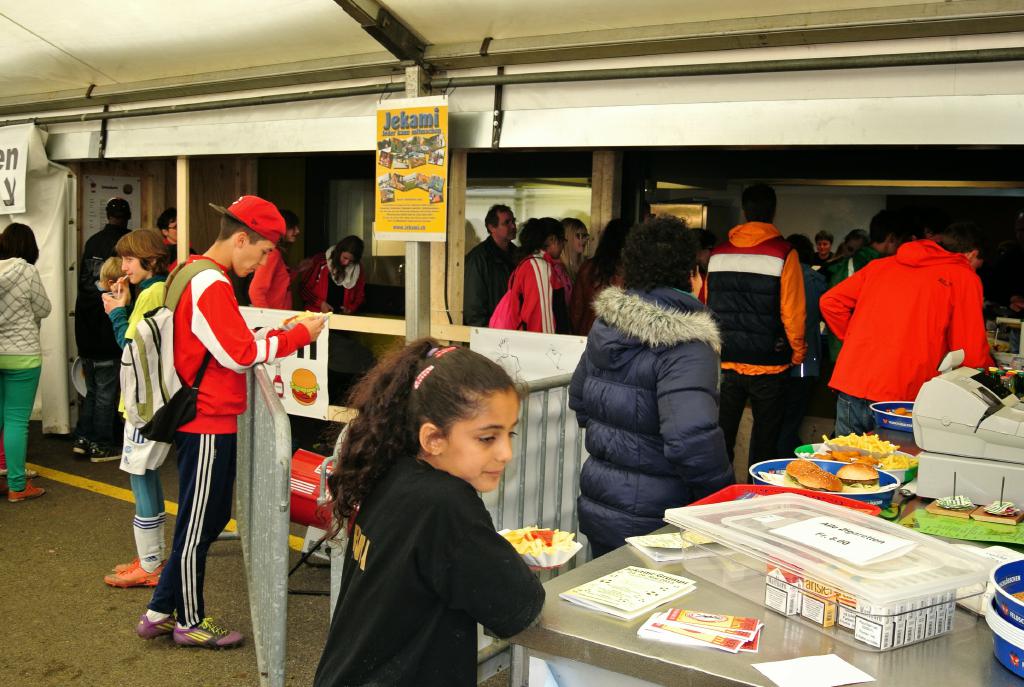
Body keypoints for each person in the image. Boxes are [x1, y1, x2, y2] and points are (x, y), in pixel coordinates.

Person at [136, 195, 325, 648]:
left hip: (205, 415)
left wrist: (279, 332)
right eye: (263, 252)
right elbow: (239, 354)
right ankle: (189, 621)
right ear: (242, 239)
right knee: (200, 523)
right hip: (206, 418)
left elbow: (224, 342)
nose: (261, 264)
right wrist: (298, 336)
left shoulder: (194, 271)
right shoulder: (212, 282)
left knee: (207, 516)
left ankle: (160, 611)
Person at [313, 340, 544, 686]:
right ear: (433, 439)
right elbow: (519, 607)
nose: (506, 453)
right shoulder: (445, 503)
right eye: (487, 438)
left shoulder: (391, 468)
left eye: (509, 433)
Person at [570, 217, 733, 556]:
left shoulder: (607, 325)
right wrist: (723, 499)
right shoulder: (688, 343)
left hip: (600, 504)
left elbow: (580, 400)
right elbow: (690, 440)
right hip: (658, 520)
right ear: (691, 273)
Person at [821, 222, 993, 436]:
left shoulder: (880, 266)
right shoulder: (963, 276)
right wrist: (991, 385)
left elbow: (830, 302)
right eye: (978, 264)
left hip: (852, 382)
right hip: (903, 392)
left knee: (846, 456)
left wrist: (854, 340)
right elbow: (971, 352)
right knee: (897, 458)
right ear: (972, 254)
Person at [704, 184, 806, 468]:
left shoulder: (718, 254)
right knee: (765, 444)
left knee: (721, 439)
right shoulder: (784, 253)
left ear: (745, 210)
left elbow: (707, 306)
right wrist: (797, 353)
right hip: (769, 365)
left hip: (726, 361)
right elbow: (793, 311)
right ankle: (757, 491)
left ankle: (719, 490)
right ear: (774, 211)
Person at [99, 229, 171, 587]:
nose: (124, 266)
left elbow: (129, 347)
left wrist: (116, 311)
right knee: (147, 474)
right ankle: (151, 557)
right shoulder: (160, 288)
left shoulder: (153, 293)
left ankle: (150, 563)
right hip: (155, 399)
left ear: (150, 259)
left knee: (140, 476)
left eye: (129, 259)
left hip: (144, 403)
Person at [73, 198, 131, 462]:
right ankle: (101, 444)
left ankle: (82, 439)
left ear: (107, 215)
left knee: (93, 392)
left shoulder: (92, 242)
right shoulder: (126, 247)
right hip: (108, 345)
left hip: (86, 343)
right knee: (107, 395)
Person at [0, 223, 52, 502]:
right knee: (17, 421)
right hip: (22, 355)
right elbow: (44, 307)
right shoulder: (27, 271)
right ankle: (17, 487)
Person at [824, 210, 902, 362]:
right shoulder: (875, 266)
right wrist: (855, 341)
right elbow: (830, 304)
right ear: (891, 238)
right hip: (857, 354)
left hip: (850, 353)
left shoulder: (851, 264)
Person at [777, 234, 828, 455]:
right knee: (791, 423)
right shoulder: (816, 280)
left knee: (774, 423)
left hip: (775, 361)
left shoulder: (777, 275)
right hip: (806, 362)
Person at [504, 217, 572, 333]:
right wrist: (550, 343)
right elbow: (540, 318)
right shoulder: (539, 266)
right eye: (562, 241)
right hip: (543, 341)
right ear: (552, 239)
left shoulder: (529, 263)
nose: (563, 246)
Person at [569, 219, 631, 336]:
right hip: (621, 340)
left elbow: (576, 313)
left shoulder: (588, 268)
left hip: (589, 336)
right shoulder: (634, 271)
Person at [463, 204, 517, 326]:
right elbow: (473, 305)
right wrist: (486, 331)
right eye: (507, 223)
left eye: (513, 221)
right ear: (492, 227)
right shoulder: (478, 259)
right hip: (492, 330)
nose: (513, 226)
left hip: (513, 328)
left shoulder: (518, 255)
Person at [298, 235, 366, 315]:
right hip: (316, 315)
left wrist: (351, 309)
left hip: (342, 317)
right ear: (339, 252)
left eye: (351, 261)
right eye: (345, 258)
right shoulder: (320, 261)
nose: (346, 263)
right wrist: (320, 303)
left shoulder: (357, 269)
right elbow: (303, 289)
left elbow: (360, 295)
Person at [249, 209, 301, 309]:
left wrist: (298, 269)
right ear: (280, 228)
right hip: (274, 316)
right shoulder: (272, 254)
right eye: (292, 227)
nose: (297, 231)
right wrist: (266, 316)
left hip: (279, 315)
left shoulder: (276, 252)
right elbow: (255, 291)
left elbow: (280, 284)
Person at [560, 217, 589, 281]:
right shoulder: (558, 267)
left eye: (585, 236)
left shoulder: (587, 265)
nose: (585, 239)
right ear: (567, 237)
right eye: (579, 236)